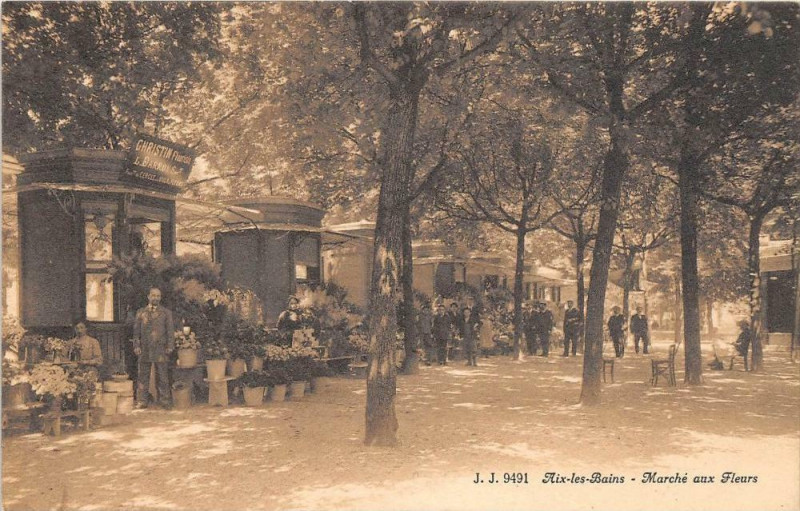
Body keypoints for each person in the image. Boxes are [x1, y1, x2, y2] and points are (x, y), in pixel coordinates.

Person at [133, 288, 175, 409]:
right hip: (145, 348)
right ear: (148, 296)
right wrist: (136, 346)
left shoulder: (166, 313)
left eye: (158, 296)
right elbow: (136, 332)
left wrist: (170, 346)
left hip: (161, 348)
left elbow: (170, 331)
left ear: (160, 298)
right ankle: (142, 401)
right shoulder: (141, 312)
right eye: (153, 295)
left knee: (162, 375)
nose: (156, 298)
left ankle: (165, 401)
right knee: (143, 375)